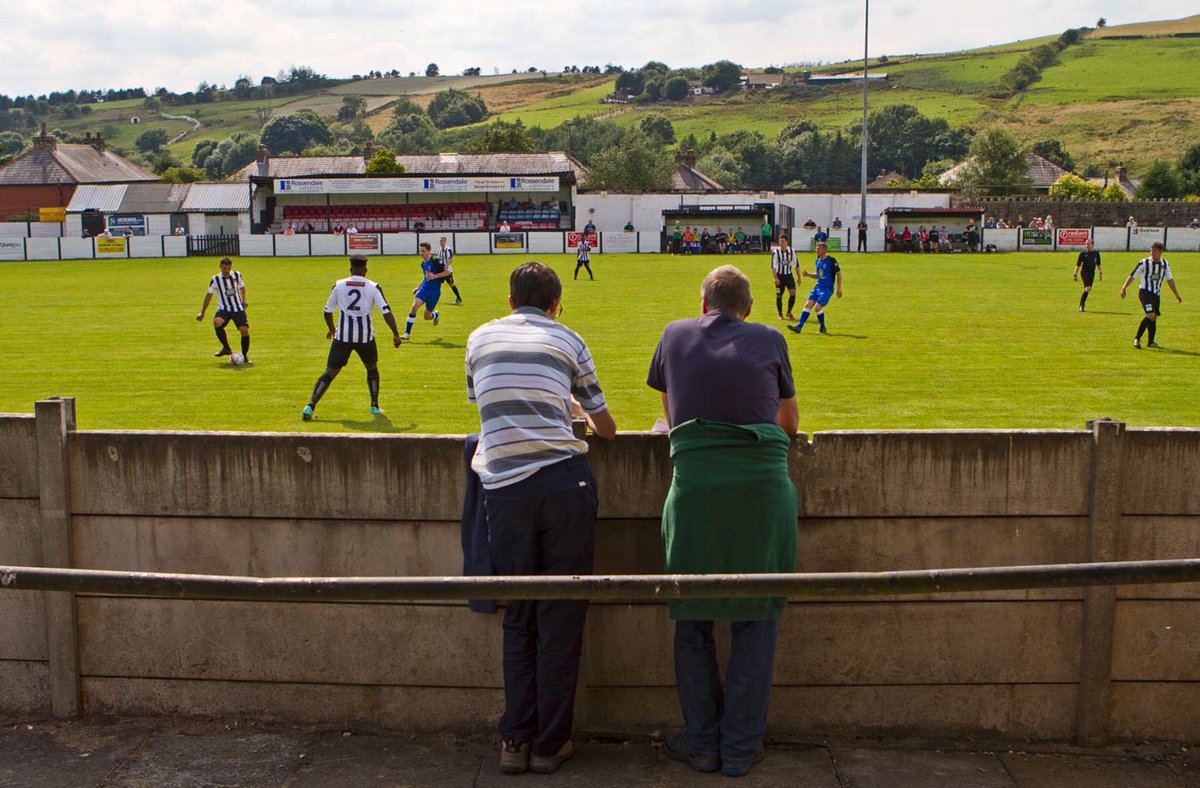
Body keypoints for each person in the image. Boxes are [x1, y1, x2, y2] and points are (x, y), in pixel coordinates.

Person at [646, 264, 798, 779]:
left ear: (702, 303)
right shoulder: (771, 338)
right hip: (761, 492)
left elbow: (673, 413)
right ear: (748, 309)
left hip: (695, 493)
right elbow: (789, 422)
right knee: (756, 619)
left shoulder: (673, 333)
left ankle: (700, 742)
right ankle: (739, 748)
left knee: (692, 619)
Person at [466, 261, 616, 776]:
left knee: (521, 616)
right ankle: (552, 743)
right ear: (556, 304)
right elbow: (607, 426)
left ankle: (514, 740)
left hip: (504, 491)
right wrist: (572, 407)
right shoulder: (568, 338)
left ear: (510, 302)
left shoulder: (479, 337)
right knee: (562, 615)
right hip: (563, 484)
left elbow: (482, 403)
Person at [301, 255, 401, 420]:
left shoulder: (339, 285)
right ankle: (374, 406)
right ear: (366, 270)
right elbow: (386, 311)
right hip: (365, 338)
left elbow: (327, 311)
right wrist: (396, 334)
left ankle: (310, 406)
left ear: (350, 269)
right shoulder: (373, 286)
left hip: (343, 338)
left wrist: (332, 329)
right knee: (372, 369)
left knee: (329, 373)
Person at [1120, 241, 1183, 349]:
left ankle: (1151, 342)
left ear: (1160, 252)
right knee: (1151, 315)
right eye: (1151, 250)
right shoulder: (1144, 262)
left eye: (1154, 251)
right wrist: (1124, 288)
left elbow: (1170, 280)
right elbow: (1132, 275)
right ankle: (1137, 338)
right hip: (1145, 292)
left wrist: (1176, 294)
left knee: (1154, 318)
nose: (1151, 253)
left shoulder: (1165, 264)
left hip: (1156, 294)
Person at [196, 257, 251, 361]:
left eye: (228, 268)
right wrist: (202, 312)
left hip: (237, 308)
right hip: (224, 308)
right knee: (217, 322)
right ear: (220, 267)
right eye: (224, 268)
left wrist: (244, 300)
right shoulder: (215, 279)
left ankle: (244, 356)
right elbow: (209, 295)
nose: (226, 271)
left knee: (244, 330)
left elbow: (242, 287)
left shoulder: (237, 275)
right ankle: (226, 348)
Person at [788, 241, 842, 335]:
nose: (816, 250)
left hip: (827, 288)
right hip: (818, 287)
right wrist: (808, 274)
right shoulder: (818, 261)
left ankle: (823, 326)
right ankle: (799, 326)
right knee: (807, 305)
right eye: (816, 248)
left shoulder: (831, 260)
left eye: (819, 248)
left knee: (817, 307)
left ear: (824, 250)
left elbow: (839, 273)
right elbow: (818, 275)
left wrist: (839, 289)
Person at [402, 242, 451, 342]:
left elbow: (448, 272)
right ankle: (407, 333)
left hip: (434, 292)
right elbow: (425, 277)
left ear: (429, 251)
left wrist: (435, 276)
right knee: (414, 306)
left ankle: (435, 315)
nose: (421, 253)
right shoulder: (423, 264)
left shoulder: (436, 262)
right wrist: (418, 287)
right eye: (420, 251)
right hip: (424, 289)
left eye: (423, 251)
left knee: (426, 316)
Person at [770, 234, 798, 320]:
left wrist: (799, 277)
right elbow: (773, 266)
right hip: (780, 276)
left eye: (782, 241)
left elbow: (796, 264)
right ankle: (780, 314)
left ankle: (789, 312)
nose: (781, 243)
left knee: (793, 292)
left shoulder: (792, 251)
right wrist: (776, 278)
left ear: (787, 242)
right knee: (779, 296)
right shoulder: (776, 252)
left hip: (789, 276)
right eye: (780, 241)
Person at [1073, 239, 1102, 311]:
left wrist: (1100, 273)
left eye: (1088, 244)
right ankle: (1080, 307)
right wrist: (1075, 274)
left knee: (1086, 289)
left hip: (1092, 273)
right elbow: (1078, 265)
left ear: (1092, 244)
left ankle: (1081, 306)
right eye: (1086, 244)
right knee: (1088, 288)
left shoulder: (1096, 253)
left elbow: (1098, 264)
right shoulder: (1082, 253)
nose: (1087, 245)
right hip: (1084, 272)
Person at [438, 236, 463, 304]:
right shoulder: (439, 250)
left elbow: (451, 259)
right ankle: (433, 298)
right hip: (441, 271)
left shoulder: (448, 249)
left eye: (443, 241)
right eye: (440, 241)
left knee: (451, 284)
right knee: (437, 284)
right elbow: (439, 260)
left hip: (447, 271)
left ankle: (458, 298)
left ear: (445, 241)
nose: (441, 242)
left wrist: (446, 265)